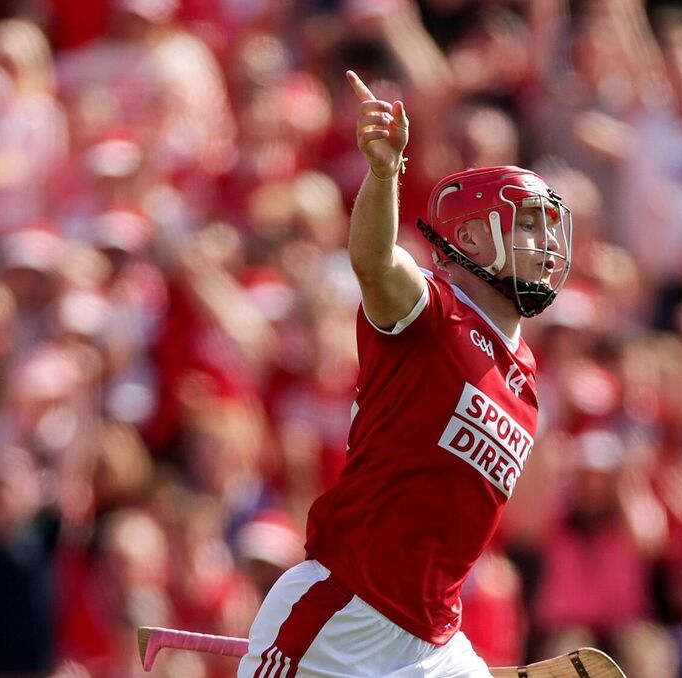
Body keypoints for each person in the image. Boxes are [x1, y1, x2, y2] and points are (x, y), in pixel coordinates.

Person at [237, 70, 572, 677]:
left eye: (548, 227)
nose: (546, 242)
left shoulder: (524, 378)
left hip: (434, 641)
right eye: (527, 224)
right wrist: (385, 173)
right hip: (340, 615)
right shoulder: (430, 311)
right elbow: (370, 260)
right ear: (469, 236)